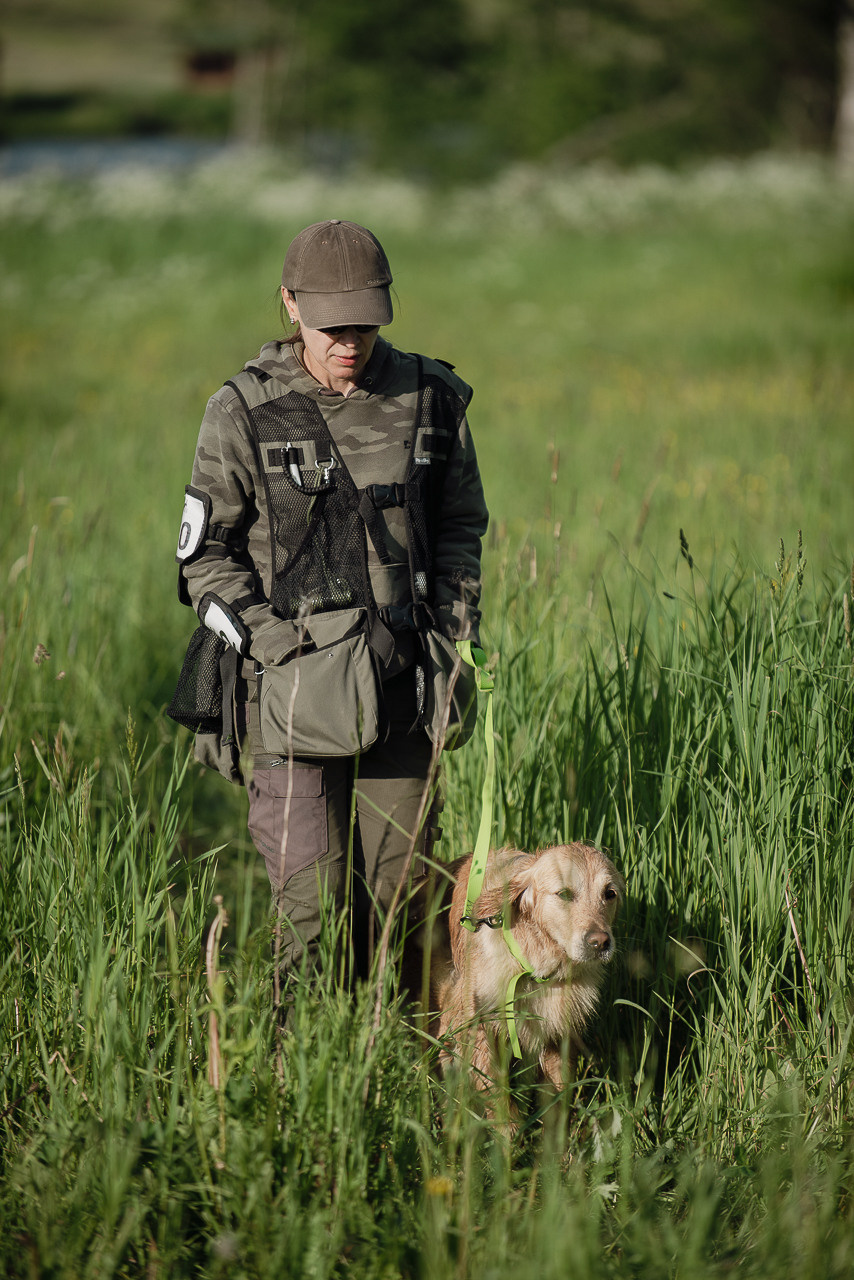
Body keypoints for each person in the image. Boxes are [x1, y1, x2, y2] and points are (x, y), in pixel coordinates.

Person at [169, 218, 488, 983]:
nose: (350, 339)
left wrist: (452, 637)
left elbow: (460, 527)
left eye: (365, 322)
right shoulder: (242, 410)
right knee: (311, 910)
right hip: (292, 700)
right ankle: (299, 1080)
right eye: (331, 324)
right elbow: (202, 560)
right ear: (288, 305)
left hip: (406, 688)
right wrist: (278, 650)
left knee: (403, 905)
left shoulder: (433, 397)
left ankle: (403, 1069)